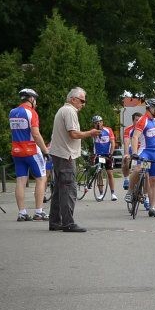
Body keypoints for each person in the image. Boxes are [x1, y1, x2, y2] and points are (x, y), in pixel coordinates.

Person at [48, 87, 101, 232]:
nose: (83, 104)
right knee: (68, 188)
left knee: (59, 189)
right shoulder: (70, 111)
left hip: (59, 154)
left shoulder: (63, 110)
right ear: (73, 99)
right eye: (82, 100)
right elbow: (73, 134)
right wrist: (90, 133)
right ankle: (68, 223)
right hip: (66, 155)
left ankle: (55, 221)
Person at [9, 88, 50, 221]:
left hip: (16, 151)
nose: (35, 102)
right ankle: (39, 212)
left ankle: (22, 213)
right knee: (41, 179)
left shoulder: (12, 112)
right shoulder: (31, 112)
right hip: (31, 151)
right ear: (31, 99)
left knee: (20, 181)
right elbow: (36, 134)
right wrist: (45, 151)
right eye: (35, 99)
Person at [125, 99, 155, 217]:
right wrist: (134, 153)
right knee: (138, 169)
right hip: (146, 153)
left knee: (154, 180)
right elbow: (135, 137)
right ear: (150, 108)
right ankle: (130, 191)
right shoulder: (143, 120)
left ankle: (152, 208)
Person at [90, 115, 117, 201]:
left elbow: (112, 142)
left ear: (102, 122)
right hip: (98, 155)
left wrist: (111, 153)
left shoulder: (108, 130)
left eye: (99, 122)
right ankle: (101, 193)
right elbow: (93, 138)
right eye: (96, 123)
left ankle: (113, 193)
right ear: (94, 124)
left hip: (107, 154)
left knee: (110, 173)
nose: (98, 124)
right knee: (99, 174)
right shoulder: (93, 131)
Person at [121, 111, 142, 189]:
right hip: (132, 149)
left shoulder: (145, 128)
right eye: (136, 120)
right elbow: (126, 142)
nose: (138, 122)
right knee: (125, 160)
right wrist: (126, 154)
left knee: (147, 167)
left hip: (142, 150)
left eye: (140, 120)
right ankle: (126, 179)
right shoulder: (128, 129)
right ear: (133, 121)